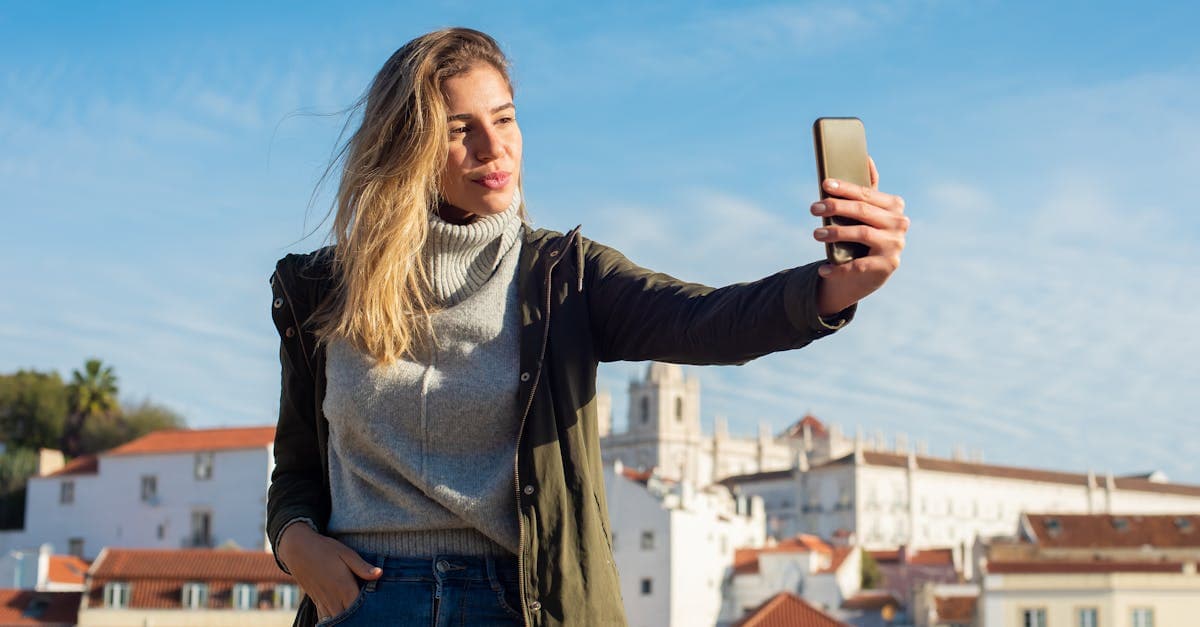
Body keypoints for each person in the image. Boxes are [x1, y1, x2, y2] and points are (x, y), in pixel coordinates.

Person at [267, 27, 907, 627]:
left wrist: (834, 287)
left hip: (519, 604)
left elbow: (706, 321)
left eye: (505, 118)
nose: (495, 149)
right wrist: (297, 546)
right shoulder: (320, 291)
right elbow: (295, 468)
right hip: (362, 603)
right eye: (461, 129)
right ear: (407, 144)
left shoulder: (566, 279)